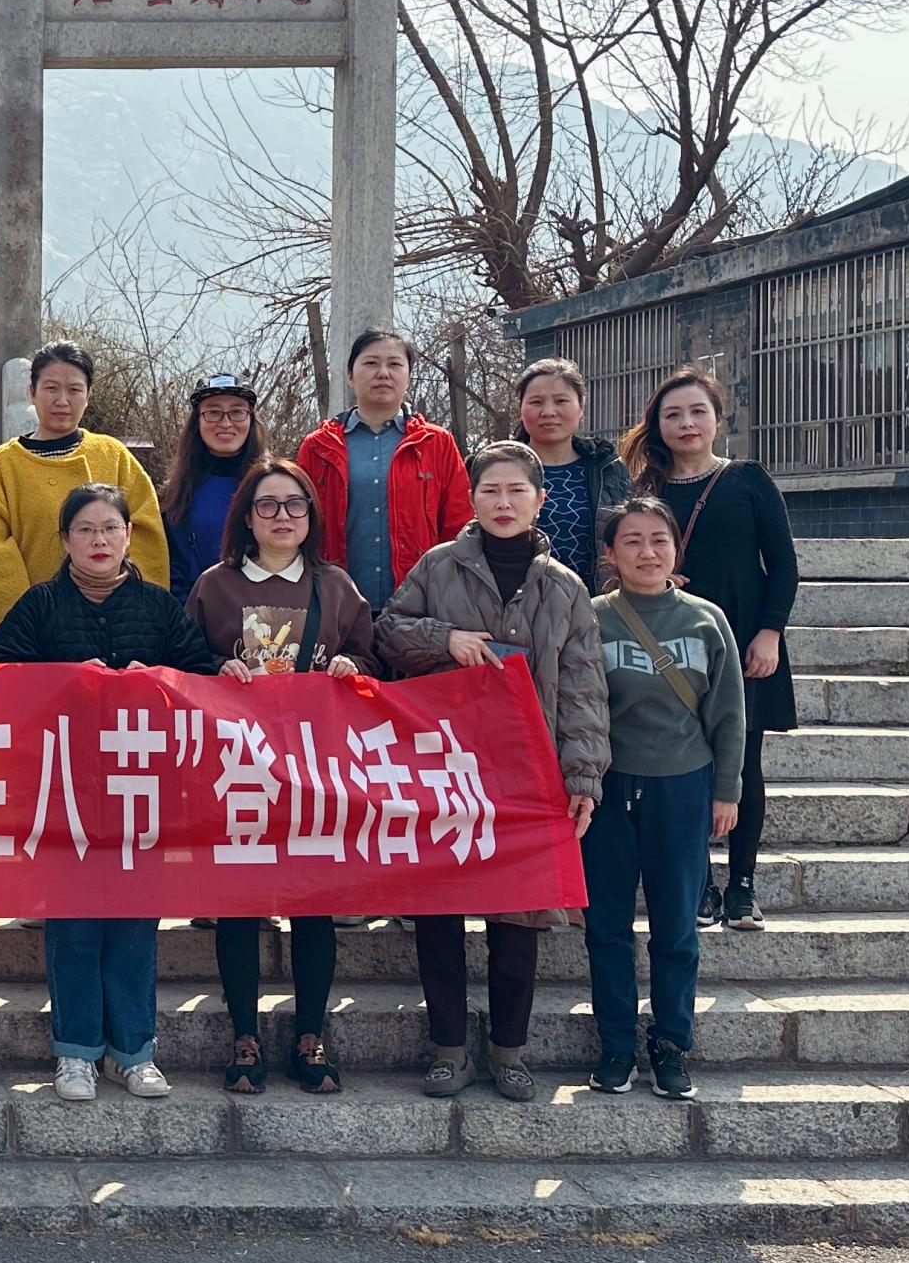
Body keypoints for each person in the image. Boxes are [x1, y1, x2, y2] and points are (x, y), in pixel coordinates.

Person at [375, 441, 609, 1104]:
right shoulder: (438, 565)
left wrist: (583, 776)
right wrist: (442, 639)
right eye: (490, 491)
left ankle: (510, 1051)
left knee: (519, 919)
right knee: (439, 913)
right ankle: (448, 1049)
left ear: (540, 499)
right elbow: (387, 631)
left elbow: (584, 690)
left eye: (516, 490)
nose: (503, 502)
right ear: (471, 499)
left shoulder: (564, 587)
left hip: (527, 771)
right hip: (443, 765)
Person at [0, 482, 220, 1103]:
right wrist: (66, 682)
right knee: (73, 924)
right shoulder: (40, 605)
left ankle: (135, 1051)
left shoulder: (158, 606)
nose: (99, 541)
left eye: (110, 529)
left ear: (129, 536)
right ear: (64, 540)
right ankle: (76, 1052)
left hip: (140, 793)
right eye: (85, 530)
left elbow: (202, 681)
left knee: (135, 923)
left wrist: (158, 681)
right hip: (64, 790)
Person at [185, 461, 376, 1096]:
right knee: (238, 904)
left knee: (313, 905)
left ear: (312, 515)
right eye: (267, 505)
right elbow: (182, 664)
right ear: (246, 517)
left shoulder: (336, 586)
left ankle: (310, 1033)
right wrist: (217, 669)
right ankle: (244, 1034)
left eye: (295, 504)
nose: (282, 517)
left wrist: (353, 667)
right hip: (238, 769)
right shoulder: (216, 586)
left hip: (316, 768)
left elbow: (373, 658)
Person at [619, 364, 798, 930]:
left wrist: (771, 632)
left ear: (719, 419)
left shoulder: (748, 479)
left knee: (743, 762)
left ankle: (742, 884)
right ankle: (699, 884)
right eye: (673, 414)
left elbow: (784, 564)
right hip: (672, 643)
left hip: (744, 640)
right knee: (685, 767)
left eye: (698, 411)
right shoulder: (645, 491)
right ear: (658, 425)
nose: (686, 423)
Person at [585, 496, 746, 1104]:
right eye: (632, 541)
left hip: (683, 786)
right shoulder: (591, 619)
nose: (647, 552)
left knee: (677, 929)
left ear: (676, 548)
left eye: (659, 540)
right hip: (608, 790)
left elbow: (728, 713)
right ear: (610, 553)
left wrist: (726, 791)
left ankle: (672, 1044)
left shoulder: (706, 620)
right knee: (607, 928)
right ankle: (616, 1045)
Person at [0, 343, 169, 630]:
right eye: (51, 388)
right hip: (37, 630)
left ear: (88, 395)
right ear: (32, 392)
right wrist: (23, 624)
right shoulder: (5, 463)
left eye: (74, 390)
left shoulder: (113, 455)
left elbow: (146, 537)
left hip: (116, 625)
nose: (62, 400)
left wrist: (134, 615)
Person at [294, 327, 473, 630]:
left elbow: (458, 525)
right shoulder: (318, 446)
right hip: (334, 602)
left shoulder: (436, 442)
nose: (383, 373)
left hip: (419, 603)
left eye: (394, 364)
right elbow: (299, 524)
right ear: (350, 375)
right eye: (371, 363)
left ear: (408, 376)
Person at [515, 357, 631, 584]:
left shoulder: (608, 468)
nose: (549, 411)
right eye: (536, 402)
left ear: (581, 407)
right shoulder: (498, 468)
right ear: (521, 409)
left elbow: (633, 533)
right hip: (519, 599)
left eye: (561, 401)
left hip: (596, 598)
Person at [161, 373, 266, 601]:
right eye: (213, 412)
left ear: (251, 419)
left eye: (237, 411)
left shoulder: (275, 485)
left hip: (266, 613)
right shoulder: (175, 493)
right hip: (194, 611)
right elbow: (171, 566)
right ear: (197, 421)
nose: (226, 423)